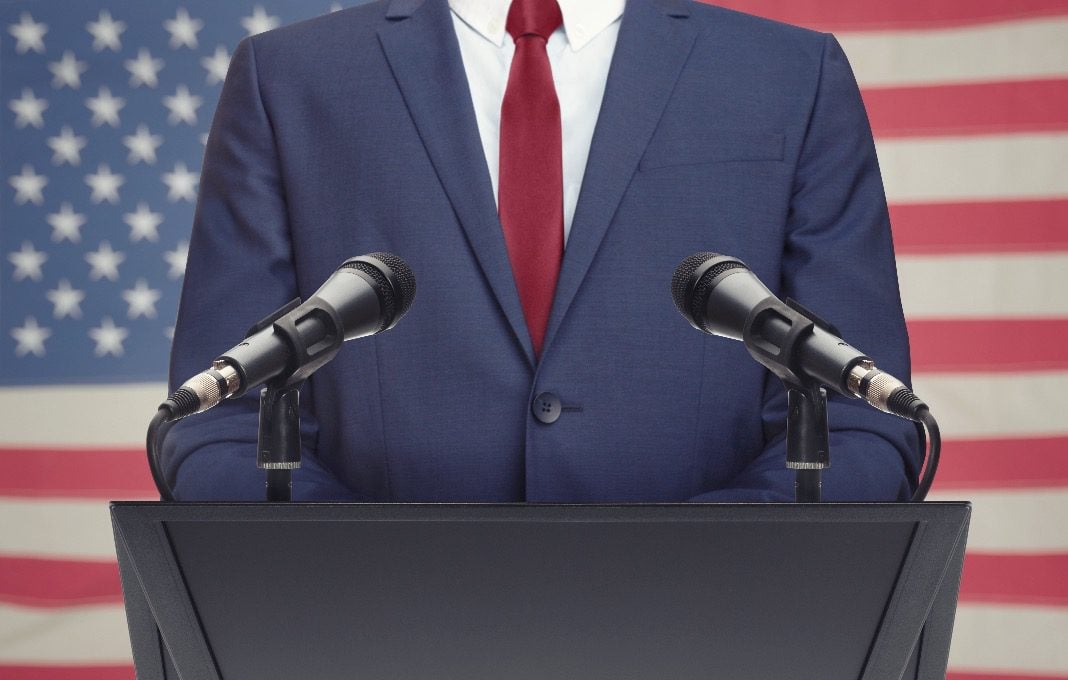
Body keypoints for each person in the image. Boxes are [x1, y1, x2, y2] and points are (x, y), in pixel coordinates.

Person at [164, 0, 919, 502]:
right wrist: (371, 575)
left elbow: (863, 419)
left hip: (702, 632)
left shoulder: (790, 75)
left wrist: (694, 573)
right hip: (381, 635)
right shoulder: (290, 78)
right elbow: (219, 418)